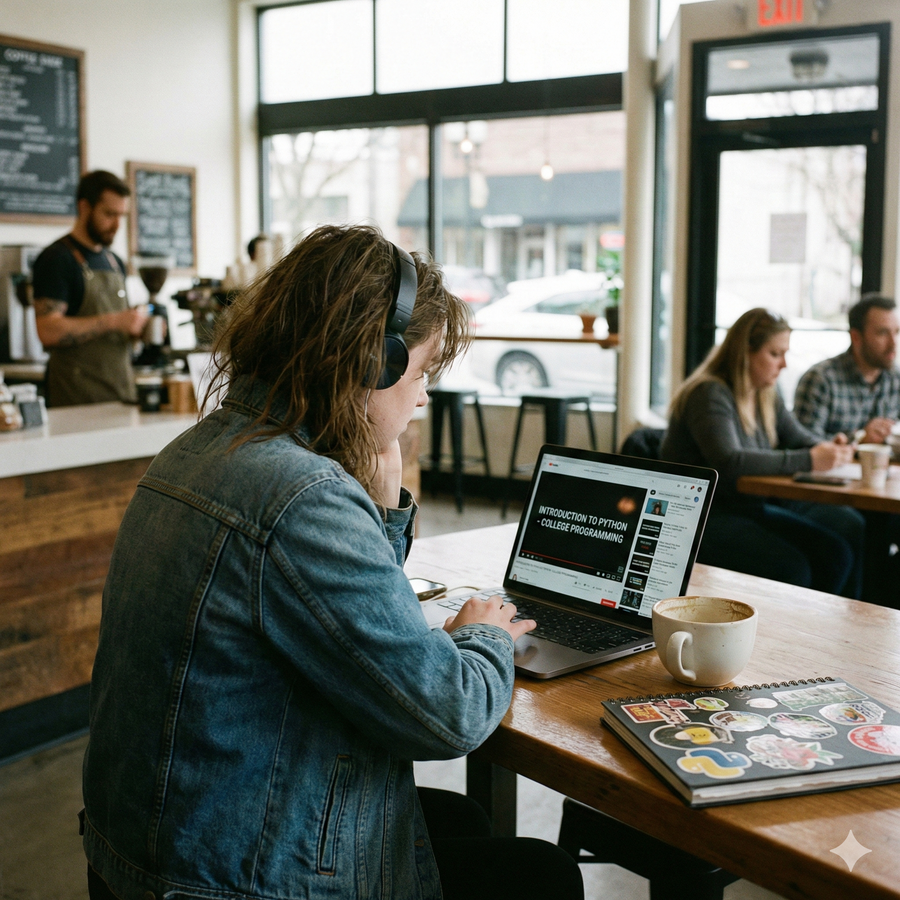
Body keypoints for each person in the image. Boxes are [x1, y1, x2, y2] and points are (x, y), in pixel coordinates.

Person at [81, 224, 584, 900]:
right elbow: (448, 715)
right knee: (541, 879)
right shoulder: (301, 497)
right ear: (372, 362)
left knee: (458, 818)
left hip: (145, 854)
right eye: (423, 373)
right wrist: (485, 636)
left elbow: (329, 613)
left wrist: (379, 503)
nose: (423, 398)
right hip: (227, 878)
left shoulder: (197, 452)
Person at [661, 307, 865, 598]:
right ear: (745, 352)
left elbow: (798, 437)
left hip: (745, 507)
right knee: (793, 568)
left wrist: (832, 446)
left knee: (836, 554)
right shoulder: (709, 393)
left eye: (785, 353)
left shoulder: (765, 391)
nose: (783, 364)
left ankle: (823, 635)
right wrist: (811, 459)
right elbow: (730, 461)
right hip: (701, 516)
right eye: (775, 353)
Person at [32, 170, 149, 407]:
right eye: (109, 214)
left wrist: (138, 328)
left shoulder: (115, 262)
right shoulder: (57, 259)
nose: (117, 225)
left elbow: (119, 326)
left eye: (121, 216)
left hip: (120, 393)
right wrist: (115, 321)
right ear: (85, 207)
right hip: (76, 401)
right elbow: (47, 330)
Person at [793, 294, 900, 444]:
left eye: (896, 332)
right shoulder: (821, 380)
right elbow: (803, 445)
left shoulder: (895, 378)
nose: (893, 343)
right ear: (856, 337)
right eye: (882, 333)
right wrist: (858, 439)